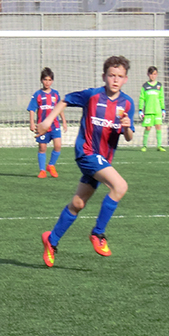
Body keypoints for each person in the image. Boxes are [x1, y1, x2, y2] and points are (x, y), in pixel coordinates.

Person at [38, 56, 135, 268]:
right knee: (120, 186)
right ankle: (98, 233)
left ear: (125, 79)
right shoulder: (92, 96)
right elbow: (65, 100)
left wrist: (127, 126)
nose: (115, 80)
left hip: (103, 159)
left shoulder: (127, 103)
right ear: (104, 76)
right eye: (111, 75)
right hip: (87, 153)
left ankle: (51, 240)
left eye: (119, 76)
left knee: (78, 204)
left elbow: (128, 137)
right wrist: (47, 121)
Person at [27, 67, 67, 178]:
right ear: (41, 80)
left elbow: (60, 108)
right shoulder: (37, 94)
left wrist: (64, 121)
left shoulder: (55, 94)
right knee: (42, 148)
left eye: (49, 80)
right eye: (45, 80)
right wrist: (32, 123)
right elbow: (32, 109)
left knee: (58, 146)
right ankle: (42, 170)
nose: (47, 82)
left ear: (52, 81)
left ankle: (51, 165)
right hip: (42, 126)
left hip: (55, 125)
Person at [139, 66, 166, 152]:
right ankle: (144, 146)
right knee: (148, 128)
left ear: (157, 75)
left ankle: (159, 146)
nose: (153, 76)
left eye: (154, 74)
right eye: (151, 74)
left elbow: (161, 98)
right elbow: (142, 98)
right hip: (148, 111)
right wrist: (140, 109)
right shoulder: (145, 86)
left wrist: (163, 109)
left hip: (157, 111)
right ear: (148, 74)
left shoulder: (159, 85)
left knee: (158, 127)